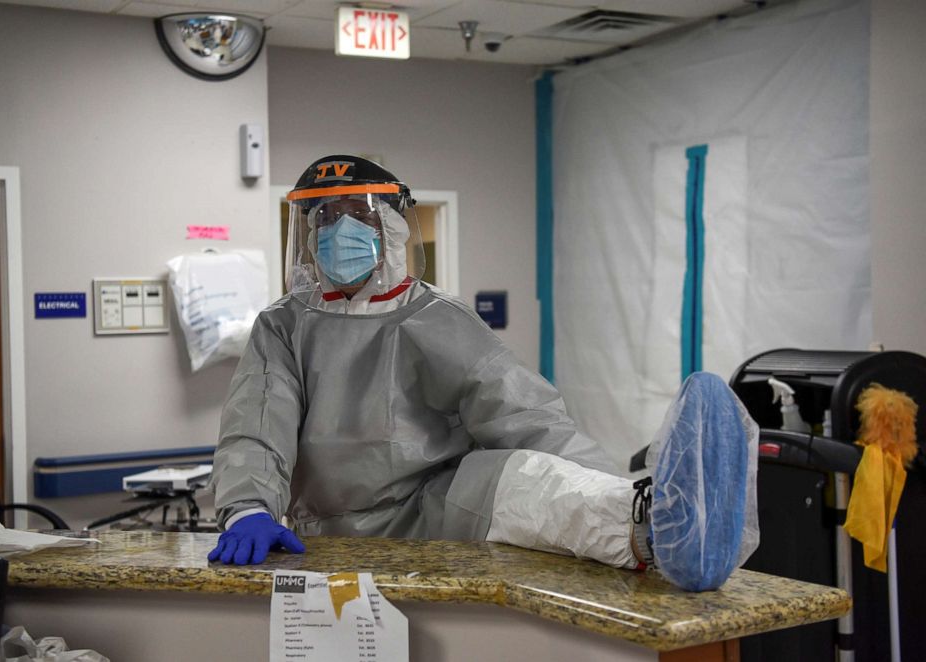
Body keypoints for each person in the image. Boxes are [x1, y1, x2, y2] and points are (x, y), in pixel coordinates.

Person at [207, 155, 759, 592]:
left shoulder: (437, 320)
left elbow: (528, 417)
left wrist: (606, 485)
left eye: (358, 211)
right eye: (325, 215)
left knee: (526, 482)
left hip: (433, 508)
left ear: (394, 227)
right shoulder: (284, 326)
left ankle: (661, 524)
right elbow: (257, 426)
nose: (339, 227)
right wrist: (248, 509)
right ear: (305, 233)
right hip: (321, 535)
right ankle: (659, 517)